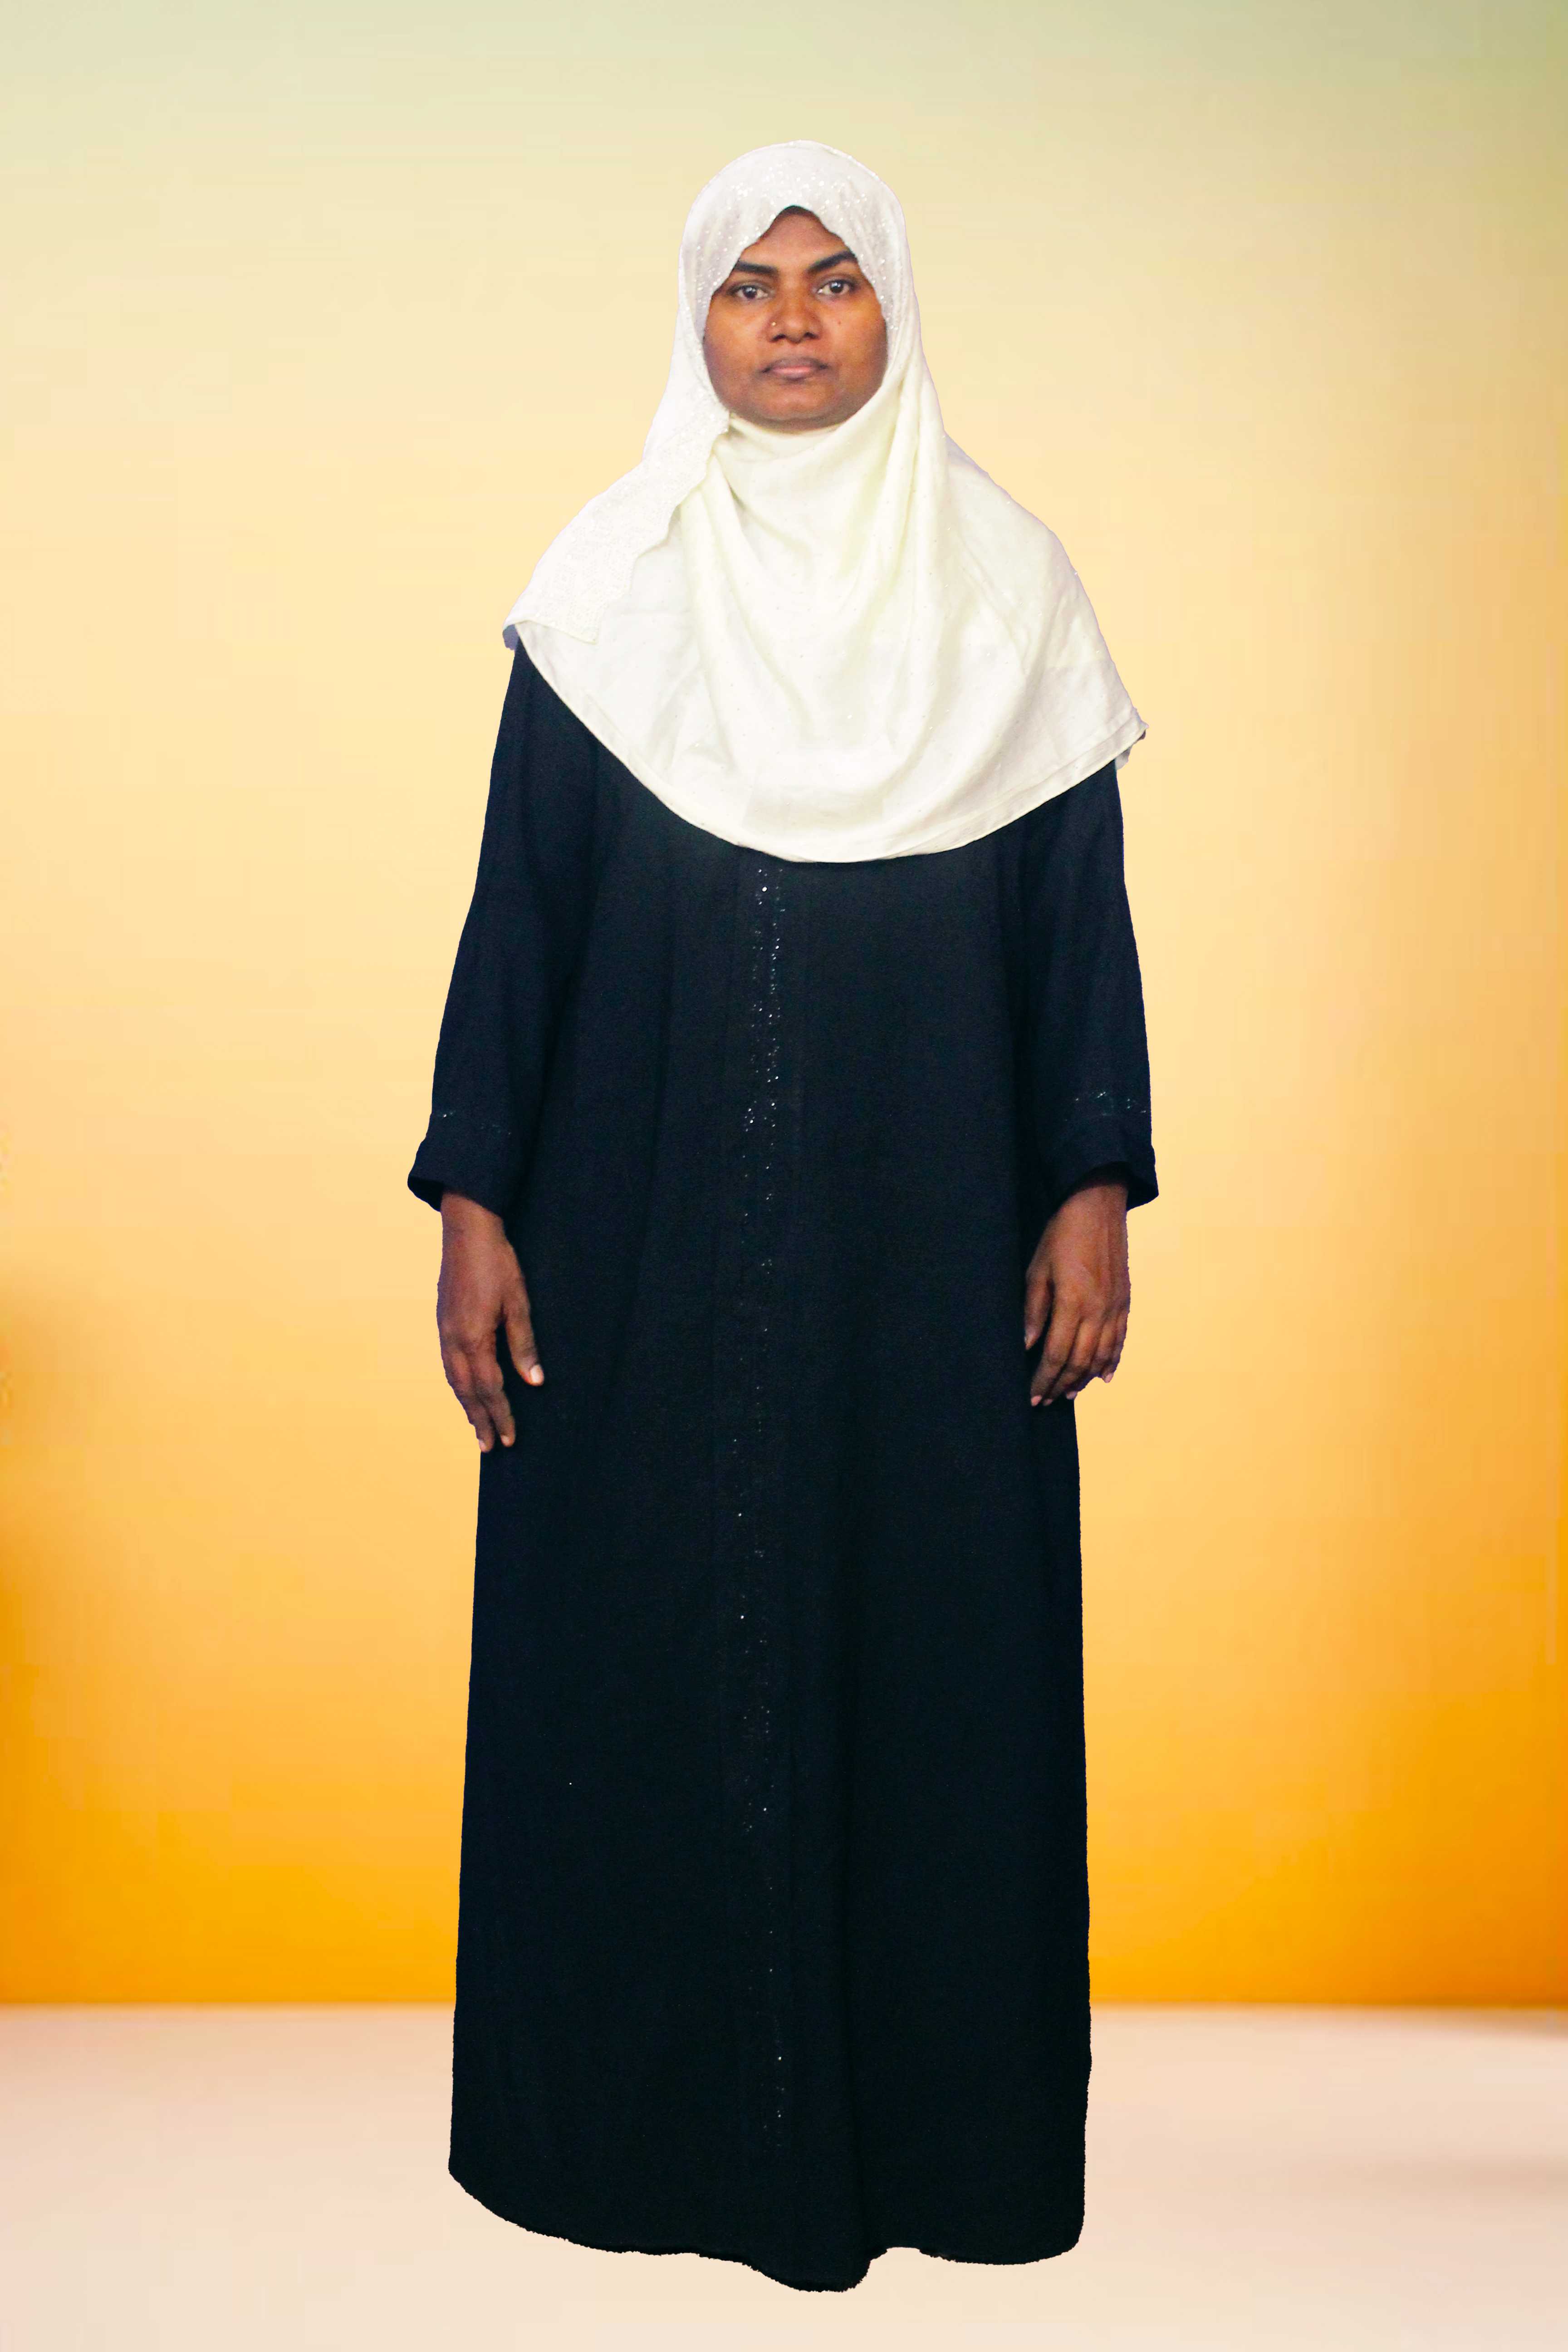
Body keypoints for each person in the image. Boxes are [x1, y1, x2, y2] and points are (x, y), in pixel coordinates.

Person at [408, 141, 1156, 2295]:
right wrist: (474, 1193)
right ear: (698, 319)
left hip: (932, 1241)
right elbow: (522, 915)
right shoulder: (607, 586)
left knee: (937, 1677)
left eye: (837, 278)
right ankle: (626, 2155)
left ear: (896, 307)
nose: (797, 320)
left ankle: (929, 2156)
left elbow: (1075, 924)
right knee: (633, 1658)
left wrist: (1091, 1182)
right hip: (632, 1234)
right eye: (752, 284)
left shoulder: (1006, 587)